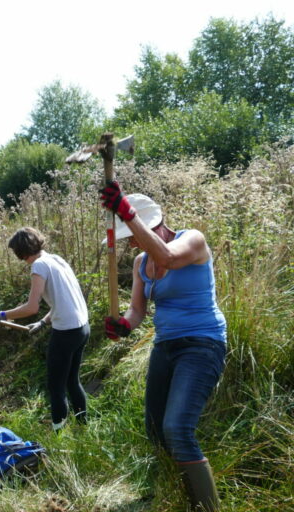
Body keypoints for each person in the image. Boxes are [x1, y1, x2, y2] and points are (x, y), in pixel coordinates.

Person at [100, 181, 226, 512]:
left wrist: (126, 213)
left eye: (133, 236)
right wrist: (124, 325)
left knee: (178, 428)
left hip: (202, 344)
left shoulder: (192, 240)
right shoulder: (142, 262)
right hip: (166, 346)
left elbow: (168, 257)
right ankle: (174, 495)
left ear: (151, 225)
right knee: (156, 430)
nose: (130, 246)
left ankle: (207, 508)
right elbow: (138, 309)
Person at [0, 227, 90, 432]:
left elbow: (31, 307)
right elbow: (64, 301)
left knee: (55, 386)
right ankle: (83, 427)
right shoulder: (55, 259)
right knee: (72, 381)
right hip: (82, 327)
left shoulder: (38, 266)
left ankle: (58, 431)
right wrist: (43, 322)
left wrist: (1, 315)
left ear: (20, 252)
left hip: (66, 332)